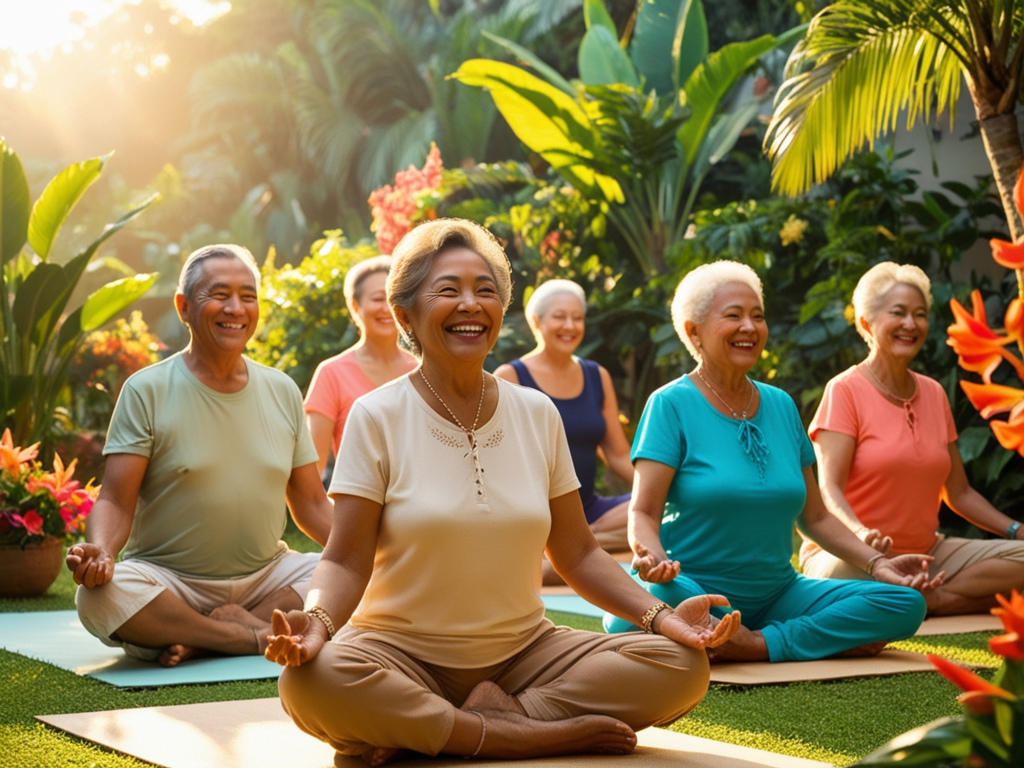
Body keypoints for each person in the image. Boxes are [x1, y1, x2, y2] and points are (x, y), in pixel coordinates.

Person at [264, 219, 740, 764]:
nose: (470, 304)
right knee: (309, 683)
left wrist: (663, 618)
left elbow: (580, 553)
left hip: (525, 652)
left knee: (680, 666)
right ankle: (524, 733)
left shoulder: (536, 413)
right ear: (405, 315)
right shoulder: (378, 415)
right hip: (398, 652)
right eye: (448, 291)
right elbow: (345, 561)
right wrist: (318, 622)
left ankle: (456, 726)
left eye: (485, 290)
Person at [605, 260, 938, 662]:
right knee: (646, 602)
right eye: (734, 316)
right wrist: (653, 557)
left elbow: (815, 518)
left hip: (780, 595)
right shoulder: (670, 404)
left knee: (904, 603)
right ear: (693, 331)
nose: (750, 327)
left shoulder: (780, 405)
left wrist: (877, 564)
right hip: (692, 590)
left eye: (757, 316)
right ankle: (753, 635)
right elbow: (642, 511)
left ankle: (752, 643)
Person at [66, 244, 333, 667]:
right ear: (184, 306)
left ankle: (201, 636)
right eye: (219, 294)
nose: (236, 308)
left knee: (338, 573)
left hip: (266, 580)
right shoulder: (146, 389)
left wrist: (372, 556)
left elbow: (313, 504)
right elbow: (116, 499)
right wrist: (101, 550)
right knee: (99, 597)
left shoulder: (281, 389)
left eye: (248, 296)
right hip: (170, 583)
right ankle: (247, 636)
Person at [800, 262, 1024, 615]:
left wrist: (1015, 530)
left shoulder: (934, 393)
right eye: (898, 313)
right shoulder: (844, 391)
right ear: (866, 324)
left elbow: (960, 493)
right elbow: (828, 489)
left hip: (927, 554)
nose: (911, 324)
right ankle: (932, 599)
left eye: (919, 315)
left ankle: (927, 599)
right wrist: (859, 535)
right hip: (853, 558)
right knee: (845, 584)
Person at [495, 280, 632, 558]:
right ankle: (575, 548)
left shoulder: (597, 376)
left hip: (592, 512)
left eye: (577, 318)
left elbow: (618, 455)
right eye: (559, 317)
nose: (570, 326)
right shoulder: (509, 377)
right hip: (537, 513)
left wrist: (659, 494)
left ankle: (581, 544)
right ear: (537, 321)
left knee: (668, 508)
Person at [305, 256, 418, 475]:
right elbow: (312, 471)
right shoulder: (331, 374)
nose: (387, 308)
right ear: (355, 307)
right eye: (377, 299)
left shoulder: (422, 370)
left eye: (393, 298)